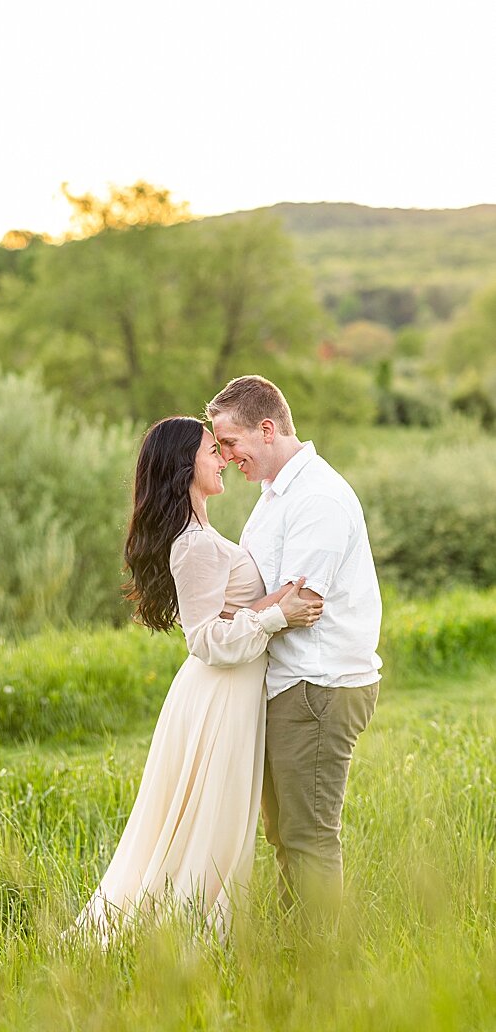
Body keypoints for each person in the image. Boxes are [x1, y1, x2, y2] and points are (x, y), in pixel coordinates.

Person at [74, 416, 322, 943]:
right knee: (214, 821)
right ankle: (193, 939)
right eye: (214, 450)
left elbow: (229, 612)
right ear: (186, 464)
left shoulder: (204, 535)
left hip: (229, 691)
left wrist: (272, 602)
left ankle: (201, 930)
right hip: (219, 695)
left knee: (220, 818)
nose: (224, 458)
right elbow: (205, 639)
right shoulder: (193, 544)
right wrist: (279, 616)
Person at [208, 375, 381, 918]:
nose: (225, 454)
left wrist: (217, 625)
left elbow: (301, 600)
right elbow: (272, 594)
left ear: (267, 428)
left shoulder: (319, 497)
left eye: (229, 441)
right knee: (285, 836)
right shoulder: (275, 495)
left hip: (318, 685)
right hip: (291, 683)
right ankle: (299, 953)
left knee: (308, 838)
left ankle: (323, 968)